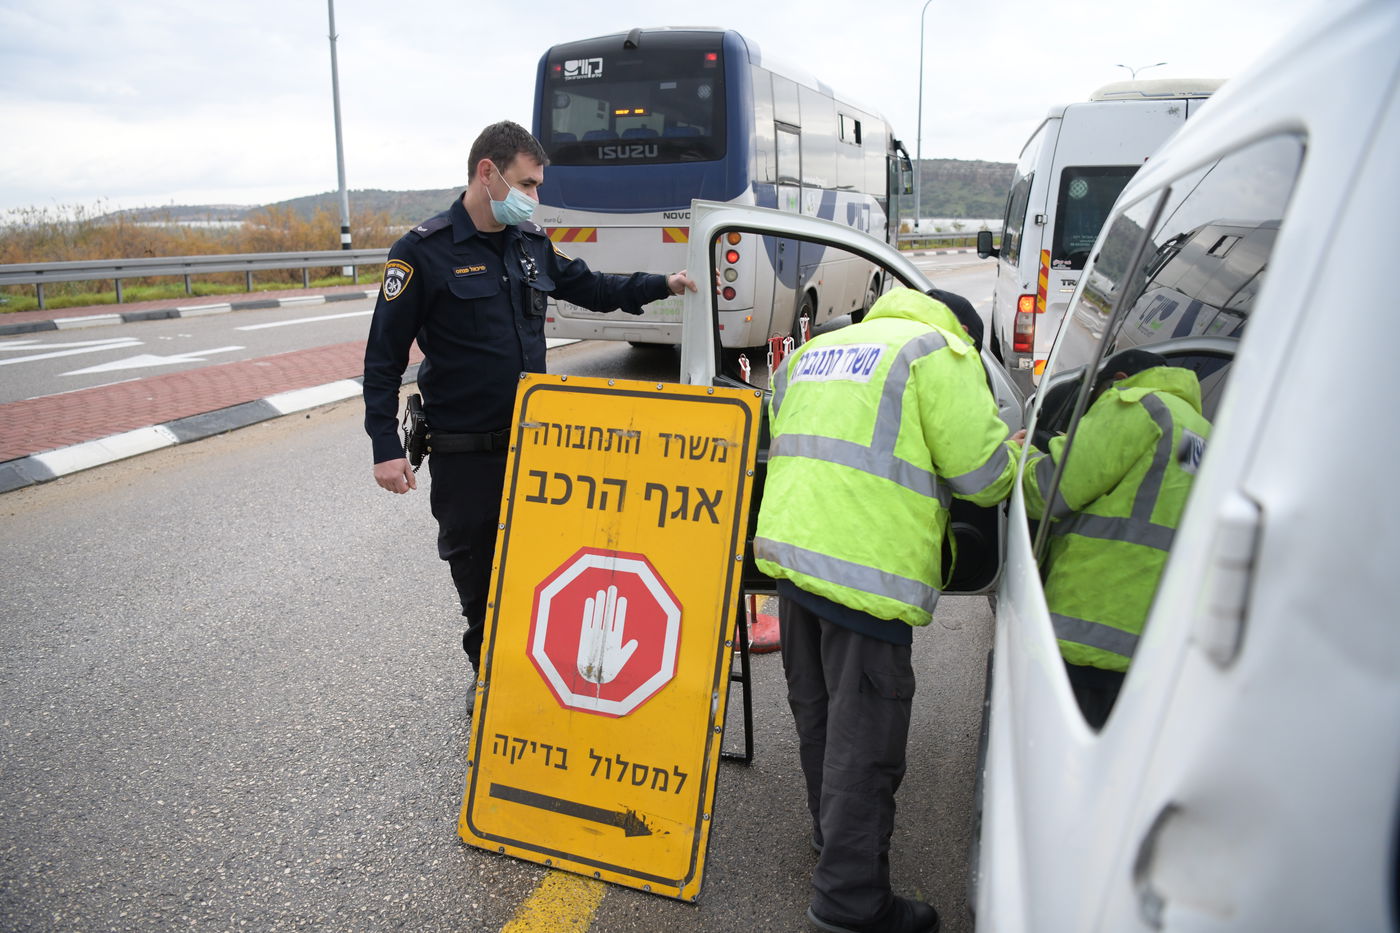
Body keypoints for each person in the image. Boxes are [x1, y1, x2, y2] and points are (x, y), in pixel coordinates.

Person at [362, 121, 696, 709]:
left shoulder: (529, 242)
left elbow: (591, 285)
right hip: (466, 452)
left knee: (541, 566)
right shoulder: (422, 251)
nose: (534, 198)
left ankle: (539, 670)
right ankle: (488, 673)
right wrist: (384, 446)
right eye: (527, 184)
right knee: (477, 569)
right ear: (486, 173)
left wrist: (661, 283)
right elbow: (383, 359)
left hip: (539, 446)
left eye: (538, 187)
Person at [753, 288, 1020, 933]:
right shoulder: (940, 353)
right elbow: (985, 478)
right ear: (965, 330)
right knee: (863, 744)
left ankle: (832, 838)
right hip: (864, 580)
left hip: (793, 564)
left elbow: (780, 435)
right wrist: (1012, 448)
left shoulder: (818, 351)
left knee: (820, 722)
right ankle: (849, 901)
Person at [1021, 349, 1211, 728]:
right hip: (1153, 639)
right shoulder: (1200, 431)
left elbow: (1050, 489)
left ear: (1118, 378)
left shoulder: (1134, 406)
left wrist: (1023, 458)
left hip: (1088, 623)